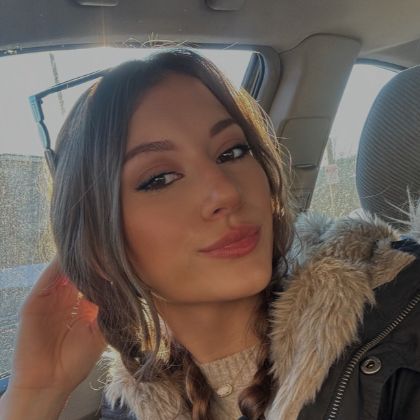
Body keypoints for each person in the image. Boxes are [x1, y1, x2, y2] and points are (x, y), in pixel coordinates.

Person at [0, 49, 420, 420]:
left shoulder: (404, 322)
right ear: (99, 251)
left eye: (232, 152)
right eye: (160, 178)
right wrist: (36, 393)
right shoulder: (131, 407)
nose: (225, 192)